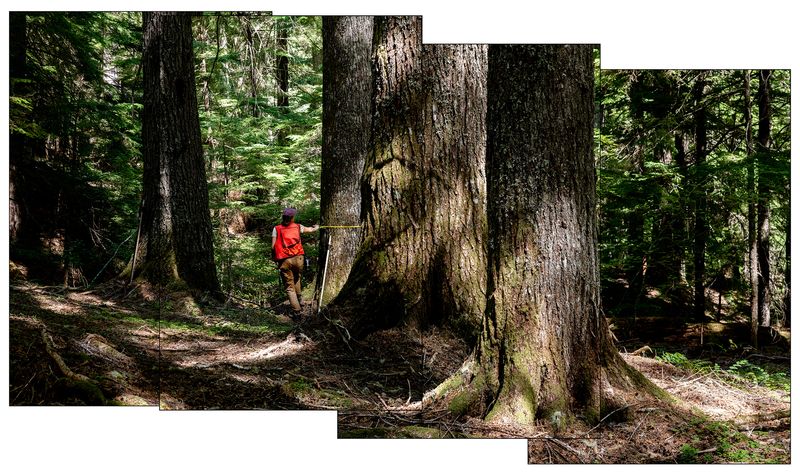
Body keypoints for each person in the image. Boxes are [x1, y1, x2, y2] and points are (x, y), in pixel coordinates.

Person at [272, 208, 318, 320]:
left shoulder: (276, 229)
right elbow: (311, 230)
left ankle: (297, 312)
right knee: (297, 277)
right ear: (292, 217)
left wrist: (275, 258)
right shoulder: (298, 227)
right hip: (299, 258)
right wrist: (316, 227)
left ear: (283, 217)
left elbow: (273, 246)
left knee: (289, 287)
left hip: (284, 260)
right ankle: (300, 299)